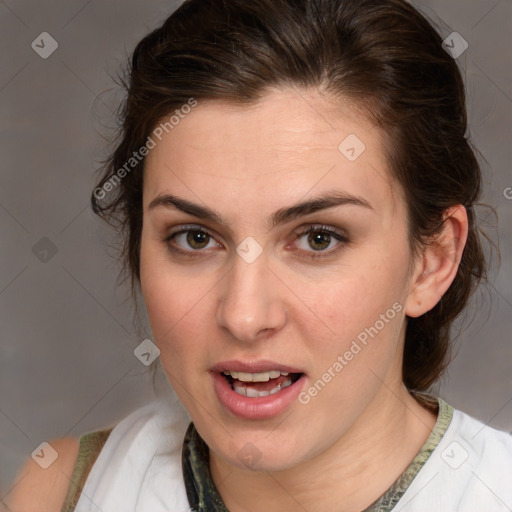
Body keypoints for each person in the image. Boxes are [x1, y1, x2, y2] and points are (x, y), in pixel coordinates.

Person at [7, 0, 512, 511]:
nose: (245, 316)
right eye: (195, 238)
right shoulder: (61, 492)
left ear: (432, 260)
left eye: (318, 238)